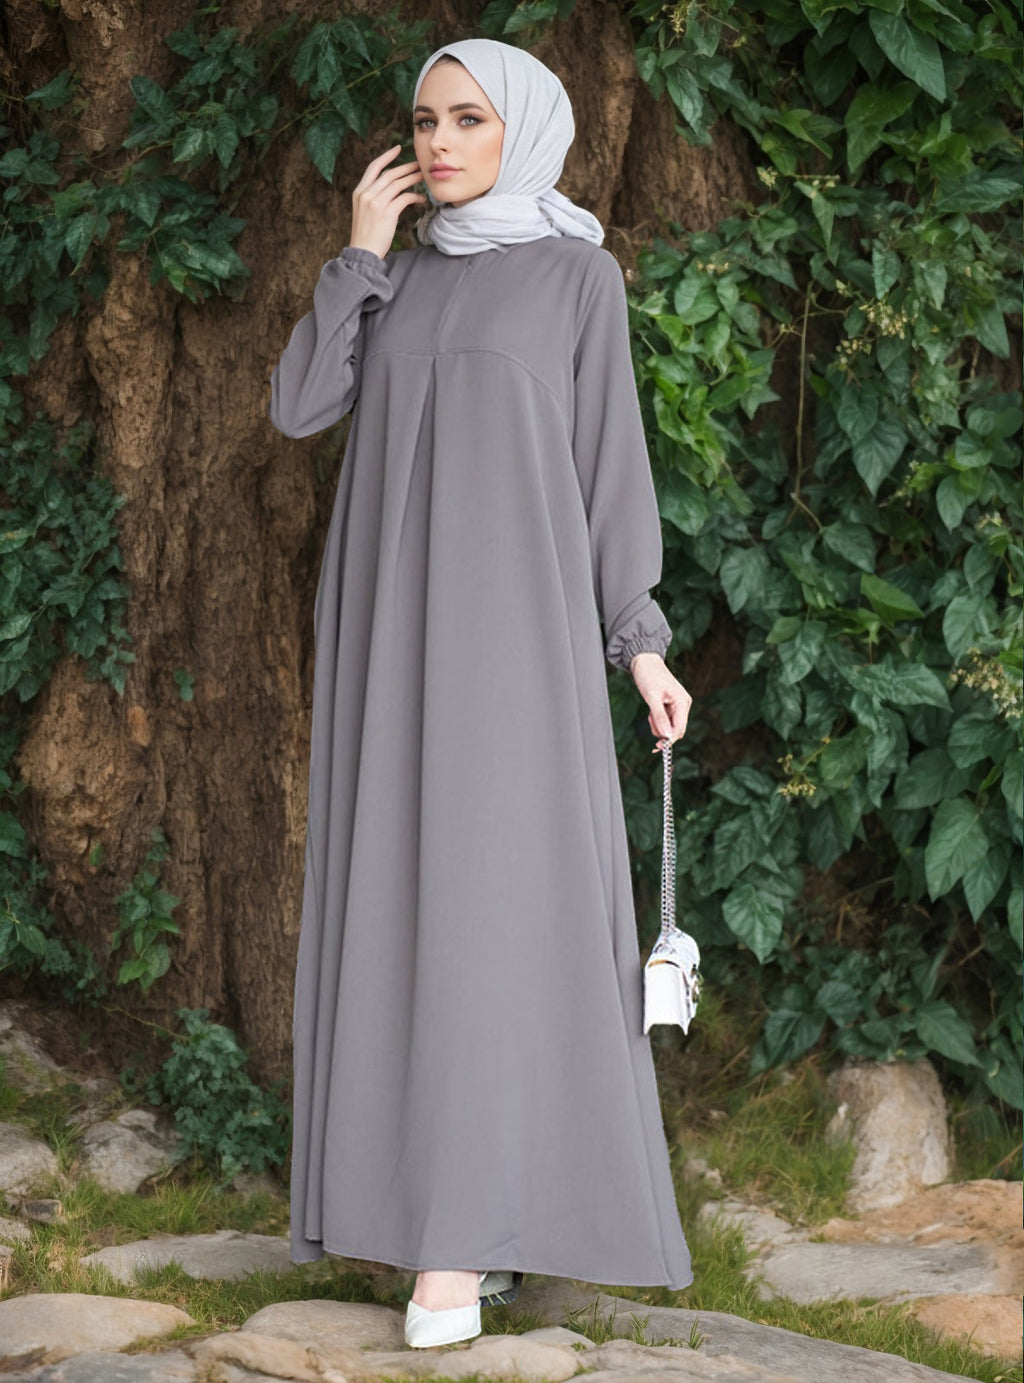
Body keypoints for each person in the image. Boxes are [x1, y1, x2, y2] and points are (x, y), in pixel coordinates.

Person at [268, 36, 695, 1352]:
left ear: (525, 129)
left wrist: (639, 642)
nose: (440, 143)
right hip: (388, 646)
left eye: (469, 119)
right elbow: (298, 409)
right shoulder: (393, 280)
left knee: (498, 923)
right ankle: (437, 1220)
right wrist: (357, 253)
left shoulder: (577, 278)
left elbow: (608, 466)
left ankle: (457, 1250)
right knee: (399, 914)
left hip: (516, 649)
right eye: (424, 122)